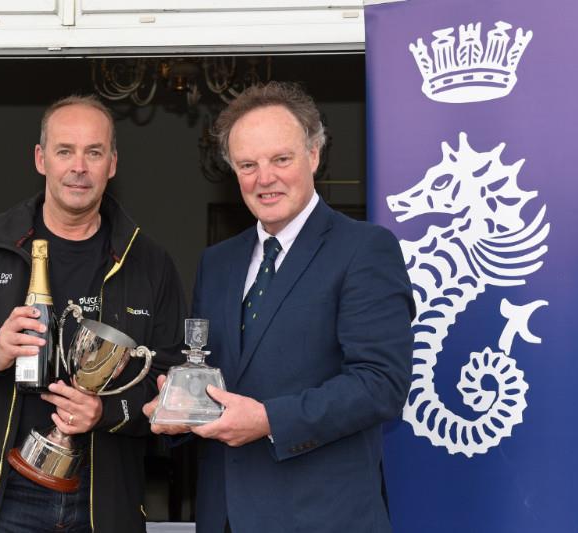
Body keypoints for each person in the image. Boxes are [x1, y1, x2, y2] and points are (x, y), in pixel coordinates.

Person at [0, 95, 186, 533]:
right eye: (64, 151)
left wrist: (106, 412)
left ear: (112, 163)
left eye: (94, 152)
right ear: (41, 159)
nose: (79, 166)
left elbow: (171, 383)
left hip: (102, 500)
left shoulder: (149, 263)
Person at [143, 81, 416, 533]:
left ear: (314, 155)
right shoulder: (218, 262)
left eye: (280, 159)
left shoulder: (364, 249)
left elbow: (381, 383)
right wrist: (179, 411)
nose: (264, 178)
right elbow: (212, 376)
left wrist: (269, 420)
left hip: (323, 518)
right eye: (248, 165)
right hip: (225, 516)